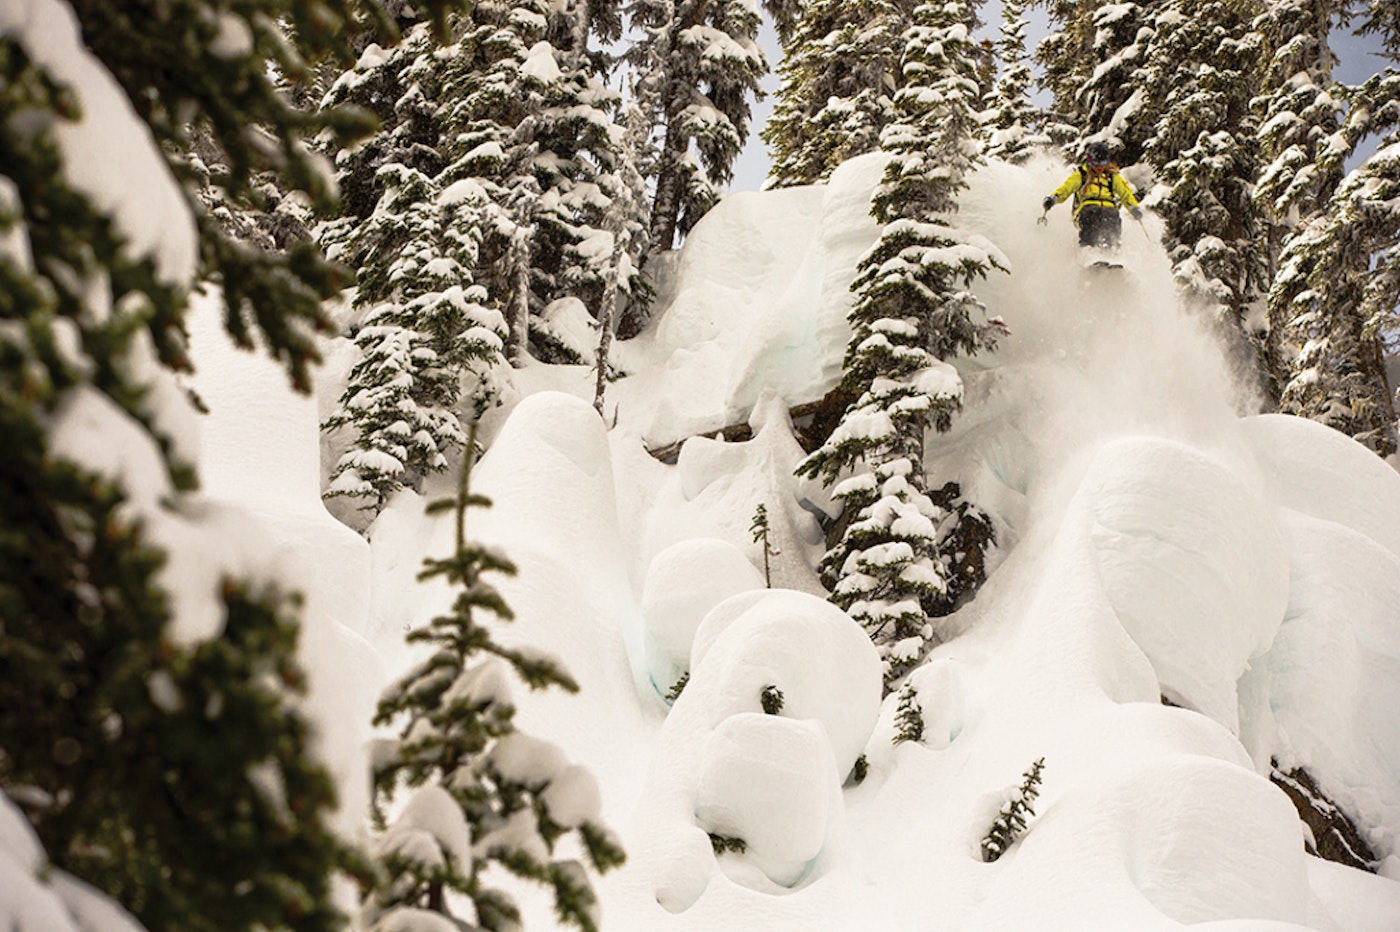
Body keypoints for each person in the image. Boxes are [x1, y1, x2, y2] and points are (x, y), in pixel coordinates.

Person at [1041, 141, 1142, 251]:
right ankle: (1088, 248)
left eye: (1103, 163)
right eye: (1096, 162)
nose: (1099, 167)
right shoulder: (1082, 175)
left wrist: (1133, 207)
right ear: (1089, 160)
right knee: (1092, 213)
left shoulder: (1111, 177)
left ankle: (1112, 247)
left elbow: (1125, 193)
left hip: (1108, 208)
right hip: (1085, 209)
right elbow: (1066, 188)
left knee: (1112, 215)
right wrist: (1053, 198)